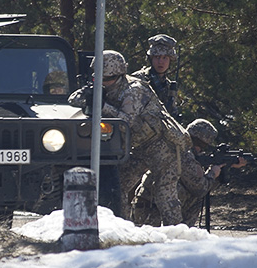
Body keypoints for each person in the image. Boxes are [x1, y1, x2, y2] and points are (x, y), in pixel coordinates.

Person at [68, 50, 190, 225]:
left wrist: (102, 105)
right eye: (99, 79)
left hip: (162, 146)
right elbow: (73, 99)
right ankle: (124, 227)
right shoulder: (102, 84)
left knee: (165, 196)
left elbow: (127, 121)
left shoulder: (134, 90)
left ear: (119, 75)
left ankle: (179, 237)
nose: (104, 84)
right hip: (137, 147)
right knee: (119, 187)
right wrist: (87, 96)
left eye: (108, 80)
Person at [131, 119, 247, 227]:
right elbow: (200, 189)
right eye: (201, 145)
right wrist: (213, 173)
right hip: (151, 209)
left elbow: (201, 183)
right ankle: (183, 231)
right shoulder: (185, 155)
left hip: (152, 205)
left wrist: (225, 167)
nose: (201, 149)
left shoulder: (178, 147)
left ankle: (183, 230)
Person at [132, 34, 179, 118]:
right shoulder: (138, 79)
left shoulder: (169, 86)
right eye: (157, 57)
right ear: (151, 59)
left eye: (165, 58)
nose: (160, 62)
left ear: (170, 60)